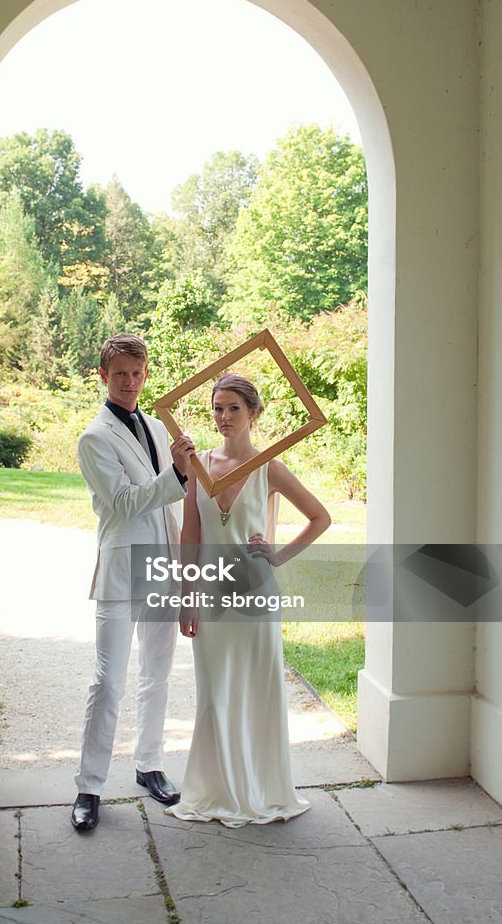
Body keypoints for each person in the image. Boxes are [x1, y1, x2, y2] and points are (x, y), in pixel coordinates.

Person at [166, 373, 331, 828]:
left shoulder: (269, 467)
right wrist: (186, 598)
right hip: (211, 596)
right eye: (217, 408)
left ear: (253, 413)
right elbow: (191, 534)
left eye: (233, 408)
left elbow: (320, 517)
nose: (223, 417)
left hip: (255, 595)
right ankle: (217, 790)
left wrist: (277, 556)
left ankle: (259, 791)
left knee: (257, 692)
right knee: (214, 696)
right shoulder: (199, 466)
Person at [71, 334, 195, 830]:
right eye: (120, 373)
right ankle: (89, 787)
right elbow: (122, 504)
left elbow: (175, 501)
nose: (129, 382)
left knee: (158, 674)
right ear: (103, 376)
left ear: (146, 375)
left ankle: (150, 765)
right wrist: (178, 477)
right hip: (121, 570)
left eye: (137, 374)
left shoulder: (157, 428)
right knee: (108, 681)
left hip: (163, 567)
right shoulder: (93, 438)